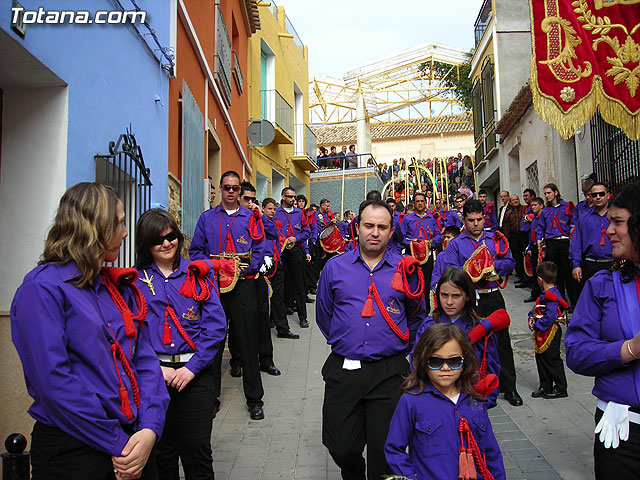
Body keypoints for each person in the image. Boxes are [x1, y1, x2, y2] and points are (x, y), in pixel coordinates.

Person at [11, 182, 169, 479]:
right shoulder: (43, 289)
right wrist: (119, 444)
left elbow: (145, 361)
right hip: (76, 449)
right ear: (95, 225)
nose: (125, 233)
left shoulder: (115, 287)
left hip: (134, 442)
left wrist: (149, 428)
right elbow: (54, 382)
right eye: (120, 223)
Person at [316, 199, 426, 480]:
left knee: (385, 451)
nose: (374, 232)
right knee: (340, 446)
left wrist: (397, 346)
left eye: (382, 226)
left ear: (391, 231)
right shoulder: (335, 267)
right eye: (369, 225)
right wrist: (349, 339)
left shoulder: (405, 268)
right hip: (344, 370)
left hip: (389, 373)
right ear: (358, 228)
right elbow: (324, 315)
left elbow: (416, 316)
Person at [134, 208, 226, 478]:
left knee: (197, 452)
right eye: (157, 239)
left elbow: (215, 327)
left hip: (194, 376)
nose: (166, 243)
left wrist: (192, 369)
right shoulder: (135, 281)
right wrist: (154, 369)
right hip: (154, 378)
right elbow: (132, 332)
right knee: (162, 454)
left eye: (171, 236)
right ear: (145, 244)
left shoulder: (198, 274)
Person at [565, 181, 640, 479]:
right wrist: (629, 349)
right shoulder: (601, 286)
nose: (608, 230)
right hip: (621, 430)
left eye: (618, 222)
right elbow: (577, 353)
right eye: (609, 221)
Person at [189, 170, 267, 420]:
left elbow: (260, 247)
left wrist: (248, 268)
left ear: (240, 191)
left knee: (248, 342)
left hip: (243, 285)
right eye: (227, 187)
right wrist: (215, 266)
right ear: (219, 189)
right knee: (213, 343)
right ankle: (210, 397)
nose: (231, 192)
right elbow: (195, 251)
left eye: (235, 188)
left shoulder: (251, 217)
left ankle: (255, 399)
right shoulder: (206, 218)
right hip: (214, 286)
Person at [385, 323, 506, 480]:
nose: (445, 368)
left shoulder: (475, 400)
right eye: (435, 361)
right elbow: (394, 449)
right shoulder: (411, 401)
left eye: (454, 361)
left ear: (465, 362)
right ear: (423, 362)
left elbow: (491, 452)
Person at [437, 200, 522, 406]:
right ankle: (471, 387)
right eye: (471, 220)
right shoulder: (456, 244)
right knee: (469, 341)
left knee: (502, 342)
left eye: (479, 219)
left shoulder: (495, 239)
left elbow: (510, 261)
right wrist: (471, 271)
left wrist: (491, 266)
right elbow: (450, 270)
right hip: (470, 298)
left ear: (484, 218)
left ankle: (509, 388)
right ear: (464, 220)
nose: (476, 224)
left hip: (492, 295)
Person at [416, 267, 508, 408]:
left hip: (470, 400)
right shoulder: (429, 326)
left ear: (468, 296)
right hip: (434, 400)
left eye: (456, 296)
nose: (449, 302)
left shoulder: (481, 329)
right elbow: (416, 363)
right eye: (444, 295)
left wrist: (484, 402)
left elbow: (492, 365)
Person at [239, 183, 281, 376]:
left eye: (252, 200)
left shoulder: (258, 217)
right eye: (246, 199)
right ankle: (237, 360)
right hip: (234, 275)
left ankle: (266, 359)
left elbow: (273, 233)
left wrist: (261, 215)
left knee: (262, 316)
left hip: (257, 273)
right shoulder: (232, 218)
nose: (249, 203)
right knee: (239, 321)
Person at [528, 261, 569, 400]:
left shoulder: (551, 296)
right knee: (541, 358)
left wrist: (537, 325)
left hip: (550, 331)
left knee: (552, 359)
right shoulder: (545, 293)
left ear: (540, 279)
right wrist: (531, 316)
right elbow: (537, 307)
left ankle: (560, 387)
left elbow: (550, 316)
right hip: (543, 331)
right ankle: (545, 385)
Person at [262, 198, 300, 339]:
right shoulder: (260, 222)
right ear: (263, 209)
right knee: (264, 300)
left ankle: (282, 329)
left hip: (276, 263)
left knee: (279, 298)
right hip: (264, 266)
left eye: (274, 209)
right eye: (269, 209)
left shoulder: (272, 223)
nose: (272, 211)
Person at [399, 191, 442, 312]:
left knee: (426, 284)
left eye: (422, 201)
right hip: (411, 256)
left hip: (426, 256)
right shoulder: (407, 219)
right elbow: (401, 237)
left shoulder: (431, 219)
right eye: (417, 201)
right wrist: (412, 244)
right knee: (411, 283)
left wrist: (430, 243)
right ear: (414, 203)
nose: (419, 203)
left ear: (425, 203)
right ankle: (411, 310)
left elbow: (439, 235)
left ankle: (426, 310)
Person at [275, 187, 311, 327]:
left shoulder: (299, 213)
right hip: (280, 251)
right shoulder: (276, 212)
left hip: (295, 250)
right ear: (283, 197)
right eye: (290, 197)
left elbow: (307, 231)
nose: (293, 199)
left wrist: (296, 238)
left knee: (299, 284)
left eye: (294, 197)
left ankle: (303, 317)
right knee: (280, 284)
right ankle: (277, 316)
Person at [539, 183, 578, 309]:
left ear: (556, 192)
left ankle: (574, 301)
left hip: (565, 242)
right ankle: (561, 302)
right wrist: (540, 239)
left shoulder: (567, 206)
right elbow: (540, 227)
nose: (547, 196)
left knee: (568, 272)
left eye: (549, 193)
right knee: (556, 274)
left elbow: (574, 221)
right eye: (545, 193)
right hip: (551, 243)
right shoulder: (545, 211)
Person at [570, 182, 613, 291]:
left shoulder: (616, 216)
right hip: (591, 265)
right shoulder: (583, 219)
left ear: (608, 195)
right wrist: (576, 265)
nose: (598, 197)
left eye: (601, 194)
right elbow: (576, 244)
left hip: (613, 265)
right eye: (594, 195)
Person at [524, 197, 546, 303]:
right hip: (533, 246)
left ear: (541, 205)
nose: (533, 207)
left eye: (535, 205)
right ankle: (535, 294)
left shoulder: (544, 217)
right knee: (534, 272)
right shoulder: (534, 219)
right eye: (532, 205)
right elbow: (531, 234)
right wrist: (529, 246)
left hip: (541, 247)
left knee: (542, 272)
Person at [504, 195, 529, 287]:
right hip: (514, 237)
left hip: (524, 236)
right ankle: (521, 277)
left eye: (517, 199)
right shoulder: (508, 213)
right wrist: (506, 239)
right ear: (510, 202)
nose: (515, 201)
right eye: (513, 200)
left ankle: (528, 278)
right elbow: (506, 226)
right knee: (517, 257)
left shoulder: (525, 210)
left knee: (525, 258)